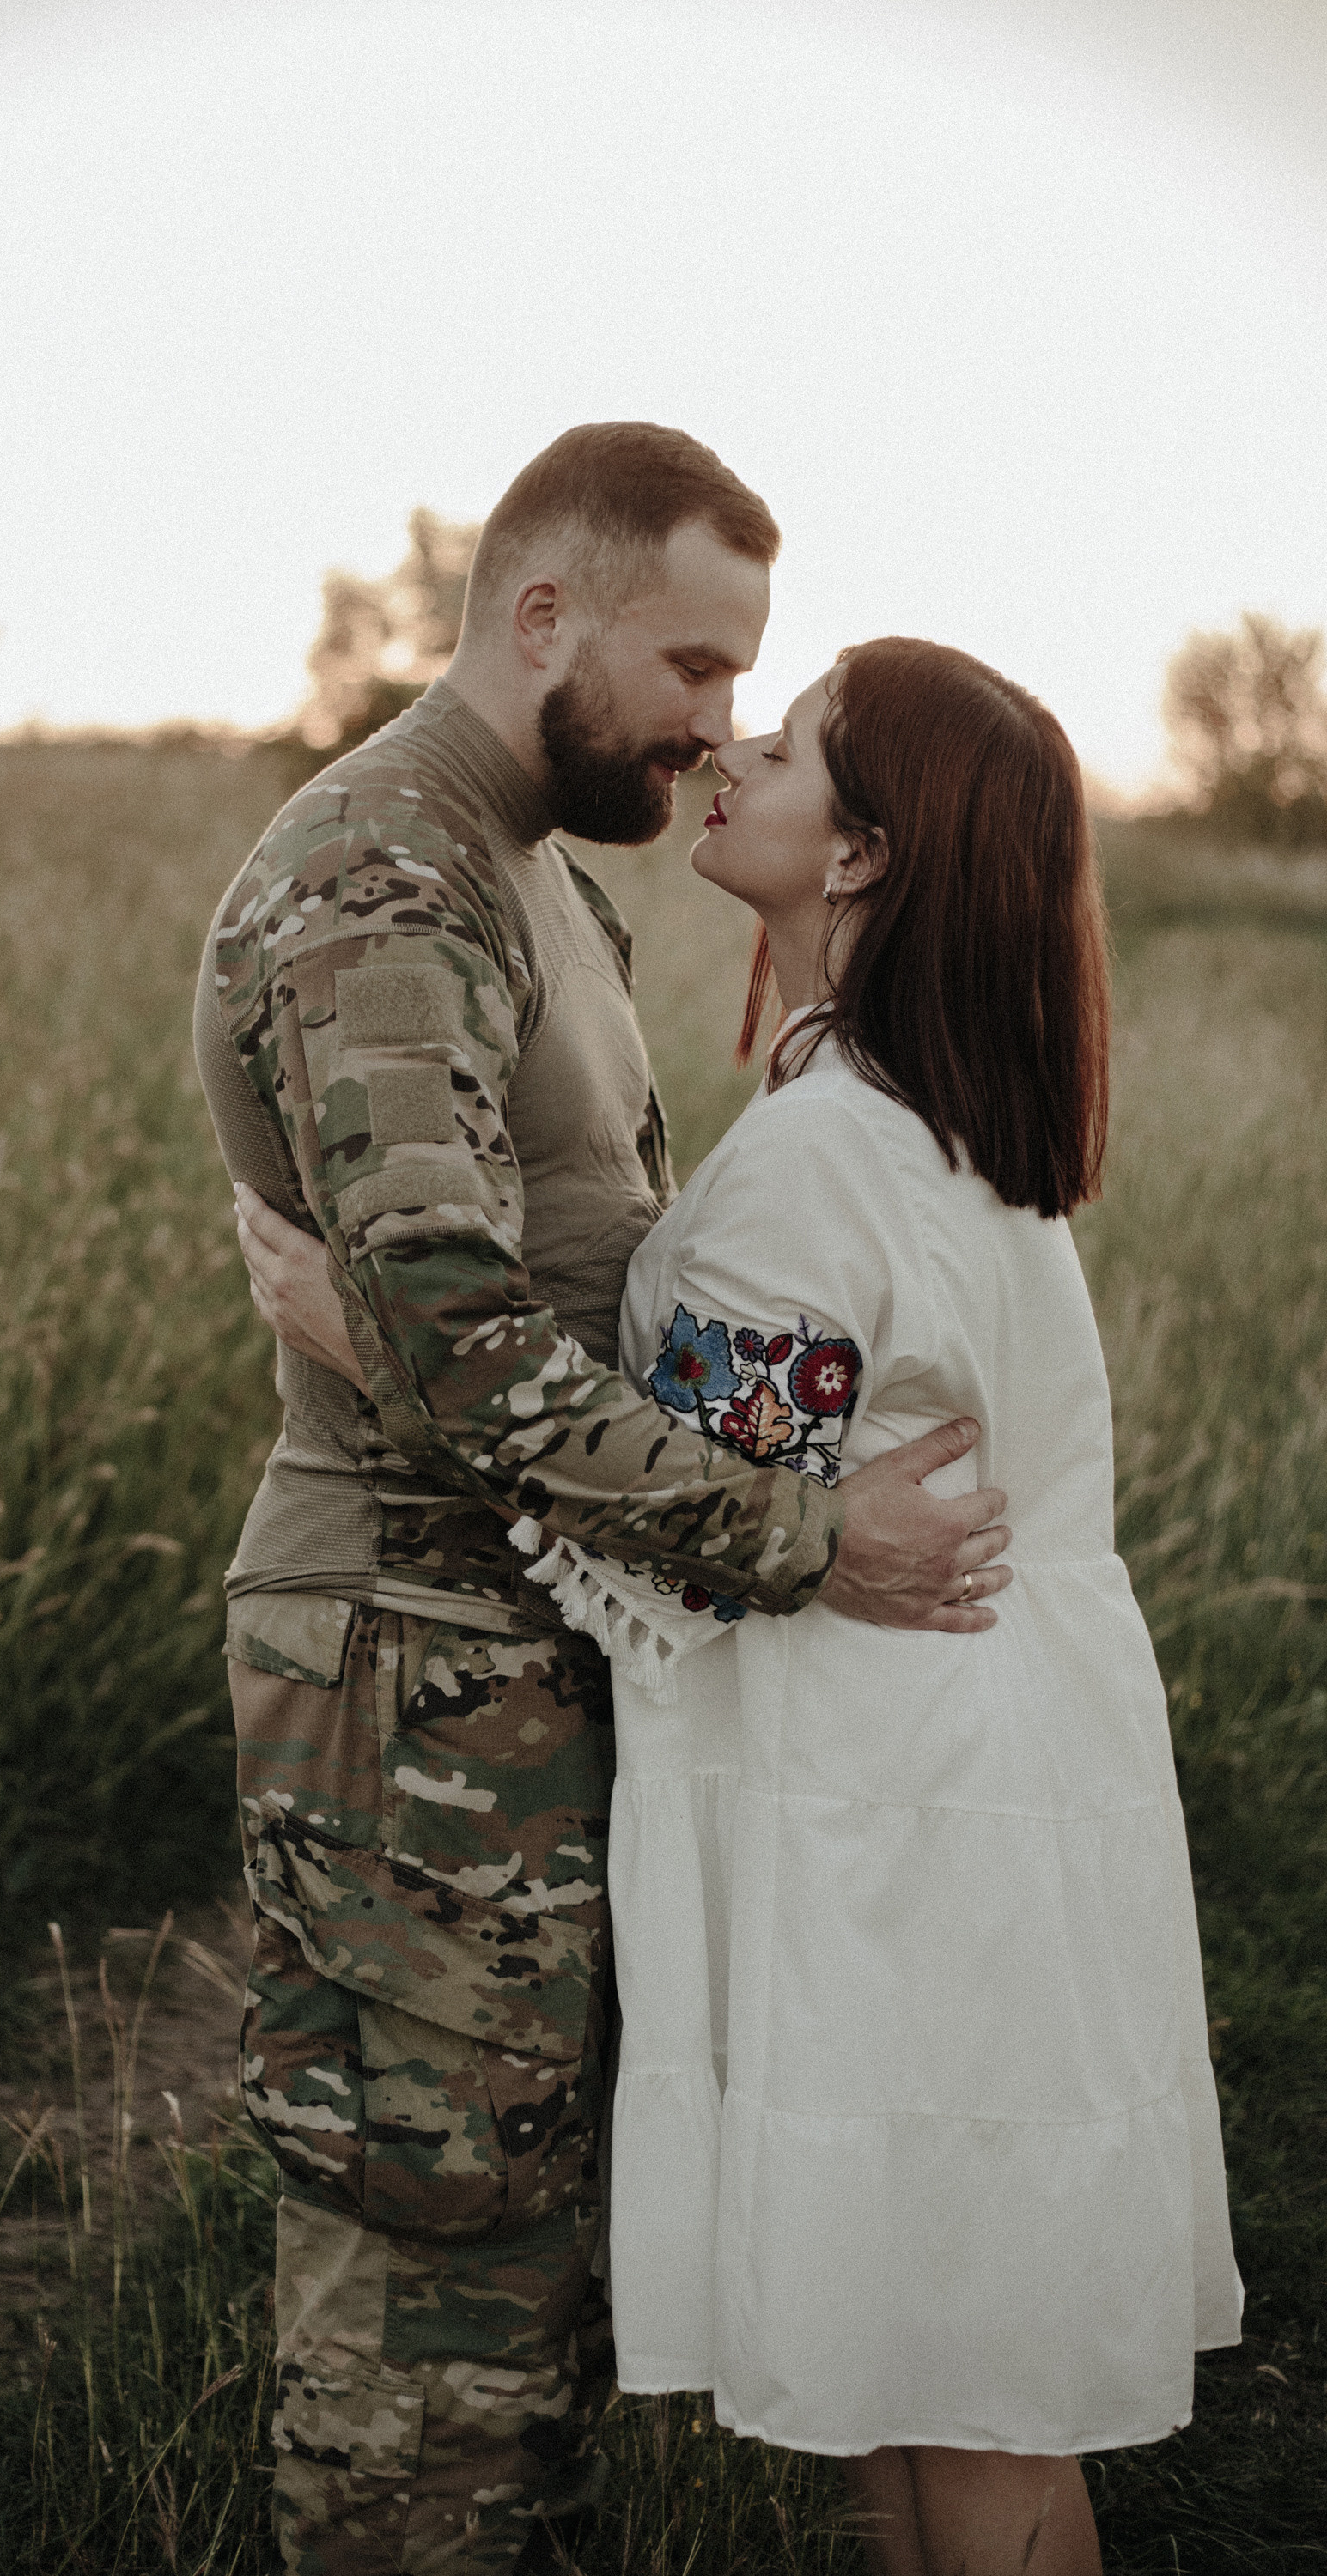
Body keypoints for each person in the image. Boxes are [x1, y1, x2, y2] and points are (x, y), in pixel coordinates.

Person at [247, 639, 1243, 2575]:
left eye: (780, 749)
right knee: (922, 2369)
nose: (728, 753)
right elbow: (744, 1483)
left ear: (861, 855)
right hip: (968, 1777)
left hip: (896, 1820)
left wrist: (370, 1347)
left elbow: (673, 1540)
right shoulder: (912, 1111)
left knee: (964, 2401)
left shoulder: (814, 1165)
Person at [193, 422, 1013, 2576]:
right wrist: (815, 1545)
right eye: (691, 667)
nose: (717, 727)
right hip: (406, 1665)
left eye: (746, 686)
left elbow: (552, 1282)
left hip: (522, 1654)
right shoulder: (386, 872)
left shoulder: (540, 880)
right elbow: (455, 1333)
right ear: (540, 616)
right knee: (427, 2346)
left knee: (526, 2307)